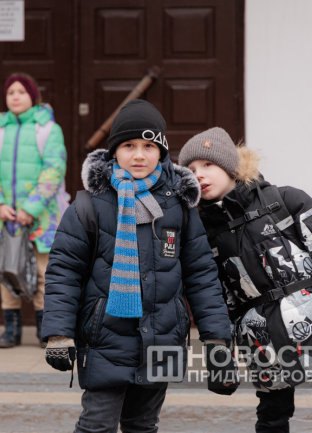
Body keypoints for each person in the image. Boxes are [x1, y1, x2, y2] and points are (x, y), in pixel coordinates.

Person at [41, 100, 235, 433]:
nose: (139, 155)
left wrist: (217, 340)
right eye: (128, 145)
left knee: (143, 425)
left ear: (162, 151)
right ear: (114, 151)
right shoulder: (88, 206)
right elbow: (64, 273)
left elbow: (202, 275)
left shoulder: (180, 207)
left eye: (149, 146)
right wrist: (58, 333)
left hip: (163, 337)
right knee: (96, 425)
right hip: (105, 338)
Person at [179, 127, 312, 433]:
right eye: (191, 170)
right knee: (273, 413)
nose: (200, 174)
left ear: (230, 165)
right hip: (260, 335)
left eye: (208, 164)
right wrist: (222, 352)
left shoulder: (284, 199)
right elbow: (215, 297)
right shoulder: (201, 231)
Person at [0, 73, 67, 349]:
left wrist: (31, 208)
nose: (15, 97)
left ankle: (44, 329)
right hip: (6, 216)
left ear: (33, 96)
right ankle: (11, 330)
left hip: (40, 217)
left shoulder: (48, 129)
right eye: (10, 92)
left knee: (44, 273)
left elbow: (54, 169)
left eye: (21, 92)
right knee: (8, 269)